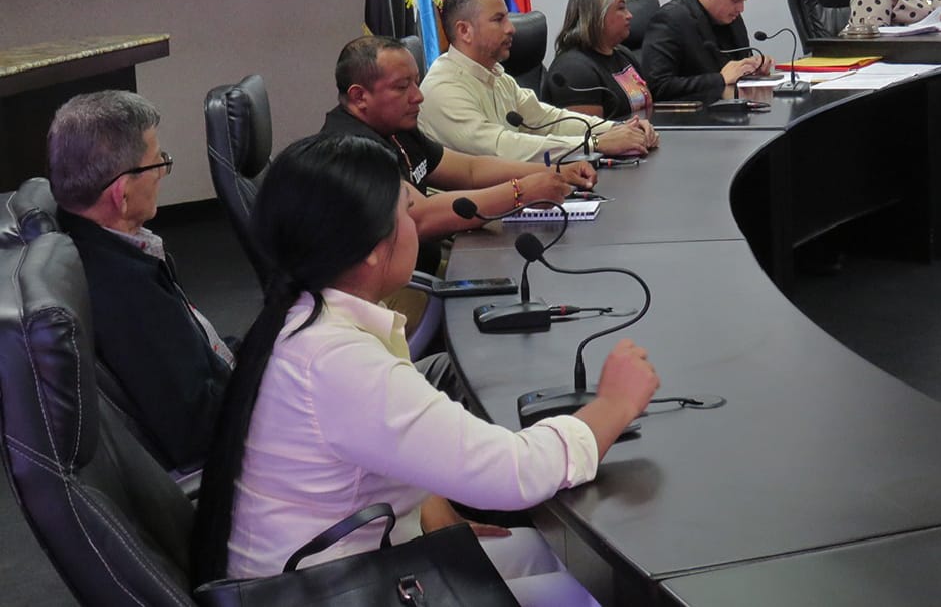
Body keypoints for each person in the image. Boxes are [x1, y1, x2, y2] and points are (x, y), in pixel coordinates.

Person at [191, 134, 659, 606]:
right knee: (592, 594)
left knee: (544, 554)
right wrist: (614, 405)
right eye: (409, 214)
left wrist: (429, 510)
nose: (417, 226)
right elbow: (515, 472)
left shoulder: (300, 319)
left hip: (332, 571)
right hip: (322, 592)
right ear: (372, 249)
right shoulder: (336, 362)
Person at [47, 91, 233, 471]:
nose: (162, 172)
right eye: (158, 163)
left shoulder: (92, 247)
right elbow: (200, 432)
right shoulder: (127, 293)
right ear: (122, 193)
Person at [322, 36, 598, 276]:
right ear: (359, 97)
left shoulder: (395, 128)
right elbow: (419, 217)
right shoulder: (349, 149)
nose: (418, 96)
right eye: (402, 87)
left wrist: (553, 171)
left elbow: (470, 170)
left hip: (425, 267)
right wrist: (521, 192)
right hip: (392, 291)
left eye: (416, 83)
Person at [419, 0, 659, 163]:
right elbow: (500, 149)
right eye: (498, 20)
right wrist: (594, 143)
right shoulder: (443, 89)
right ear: (464, 31)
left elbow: (548, 119)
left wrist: (617, 129)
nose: (511, 28)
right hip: (469, 209)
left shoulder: (496, 76)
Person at [641, 0, 774, 100]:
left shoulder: (731, 16)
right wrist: (719, 79)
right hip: (695, 113)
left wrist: (753, 69)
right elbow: (658, 87)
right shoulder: (669, 21)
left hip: (731, 107)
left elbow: (737, 68)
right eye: (735, 0)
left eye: (743, 1)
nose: (741, 8)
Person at [547, 0, 653, 119]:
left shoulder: (623, 54)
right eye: (621, 8)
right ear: (596, 14)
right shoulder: (574, 70)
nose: (629, 15)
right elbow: (590, 130)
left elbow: (648, 107)